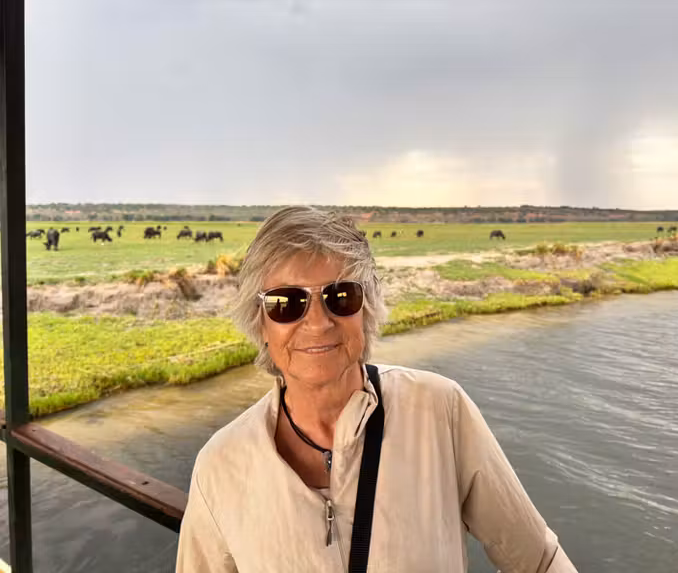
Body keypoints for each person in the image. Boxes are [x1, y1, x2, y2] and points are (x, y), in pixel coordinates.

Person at [176, 206, 577, 572]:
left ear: (366, 309)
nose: (318, 322)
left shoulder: (440, 411)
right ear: (260, 322)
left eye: (341, 296)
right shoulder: (220, 467)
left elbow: (538, 561)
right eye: (287, 303)